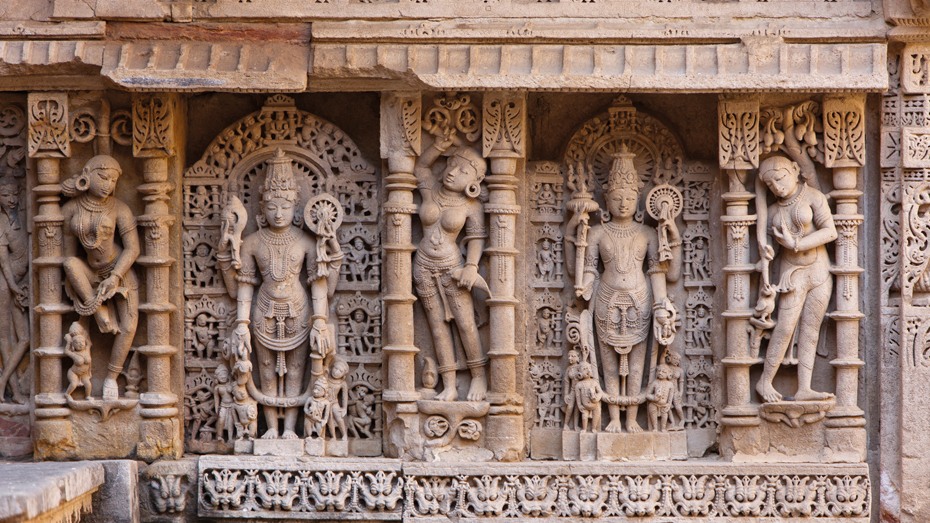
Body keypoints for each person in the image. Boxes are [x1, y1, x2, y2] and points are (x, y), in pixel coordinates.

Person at [226, 149, 342, 439]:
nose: (279, 214)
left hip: (299, 309)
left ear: (296, 207)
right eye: (272, 207)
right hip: (263, 310)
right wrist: (241, 324)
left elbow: (318, 282)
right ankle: (271, 429)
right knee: (264, 367)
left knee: (296, 368)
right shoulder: (252, 242)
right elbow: (243, 286)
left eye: (285, 207)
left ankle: (290, 429)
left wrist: (319, 319)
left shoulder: (305, 241)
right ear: (261, 209)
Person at [565, 149, 681, 433]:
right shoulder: (597, 233)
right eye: (616, 198)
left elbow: (664, 273)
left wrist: (661, 306)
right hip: (605, 299)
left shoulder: (648, 234)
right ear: (606, 199)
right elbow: (583, 270)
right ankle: (614, 418)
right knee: (606, 359)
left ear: (639, 199)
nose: (623, 203)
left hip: (641, 300)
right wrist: (585, 284)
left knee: (639, 361)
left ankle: (632, 419)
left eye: (629, 198)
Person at [413, 128, 489, 402]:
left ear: (476, 181)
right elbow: (420, 166)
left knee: (465, 323)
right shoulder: (430, 189)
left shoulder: (471, 206)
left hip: (451, 267)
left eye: (462, 171)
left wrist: (471, 266)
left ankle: (478, 377)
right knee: (437, 326)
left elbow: (477, 237)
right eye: (451, 164)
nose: (452, 172)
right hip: (422, 266)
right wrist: (437, 146)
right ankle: (450, 384)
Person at [755, 155, 837, 403]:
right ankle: (764, 381)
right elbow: (773, 248)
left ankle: (804, 388)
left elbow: (830, 231)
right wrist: (767, 252)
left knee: (811, 330)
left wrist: (797, 243)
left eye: (780, 178)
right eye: (771, 185)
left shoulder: (813, 196)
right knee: (785, 326)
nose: (777, 187)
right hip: (792, 273)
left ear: (794, 170)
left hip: (819, 270)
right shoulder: (772, 211)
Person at [61, 155, 140, 400]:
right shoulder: (71, 208)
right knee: (70, 263)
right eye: (103, 177)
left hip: (119, 269)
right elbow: (66, 253)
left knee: (128, 326)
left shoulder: (119, 208)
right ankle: (98, 312)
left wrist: (116, 276)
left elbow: (133, 248)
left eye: (113, 180)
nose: (108, 184)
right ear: (87, 174)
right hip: (88, 271)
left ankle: (111, 379)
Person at [0, 176, 28, 403]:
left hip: (21, 284)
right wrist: (13, 287)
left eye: (13, 194)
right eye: (4, 195)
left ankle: (4, 383)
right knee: (5, 337)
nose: (10, 199)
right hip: (6, 285)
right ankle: (13, 391)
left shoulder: (25, 216)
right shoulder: (1, 222)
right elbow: (4, 262)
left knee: (25, 338)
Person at [63, 322, 92, 400]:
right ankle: (67, 394)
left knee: (88, 385)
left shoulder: (86, 350)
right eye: (77, 343)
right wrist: (68, 341)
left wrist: (85, 332)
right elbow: (66, 351)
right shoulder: (74, 353)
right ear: (73, 345)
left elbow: (89, 343)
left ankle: (88, 396)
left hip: (84, 374)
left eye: (82, 342)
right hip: (74, 373)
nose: (80, 344)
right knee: (73, 384)